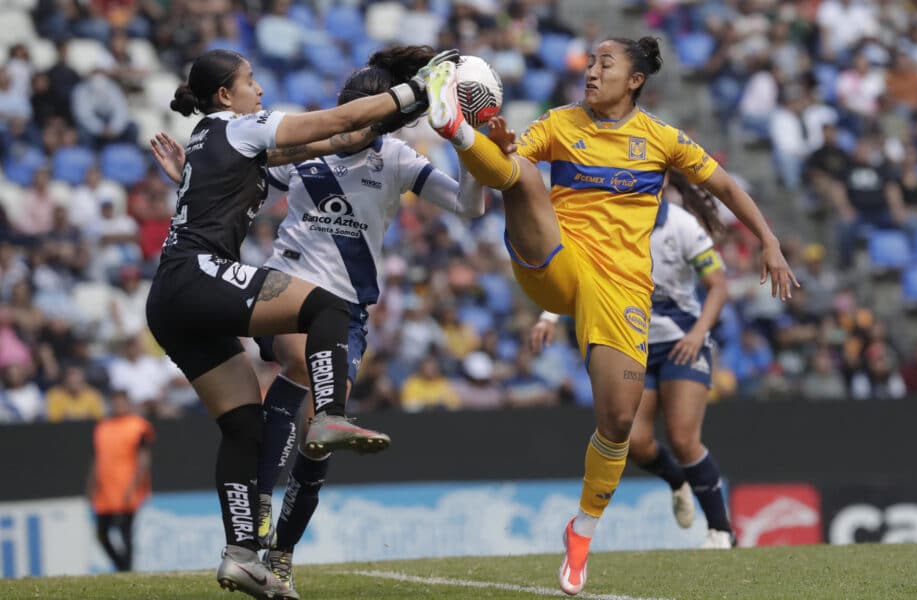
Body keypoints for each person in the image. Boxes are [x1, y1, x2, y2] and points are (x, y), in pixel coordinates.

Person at [424, 36, 796, 594]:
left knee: (620, 422)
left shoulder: (661, 139)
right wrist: (492, 144)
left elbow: (722, 184)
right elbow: (513, 159)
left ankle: (582, 531)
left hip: (621, 288)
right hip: (556, 260)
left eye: (605, 64)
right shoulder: (559, 123)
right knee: (522, 178)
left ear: (636, 79)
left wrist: (768, 240)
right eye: (589, 63)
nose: (591, 72)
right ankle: (451, 125)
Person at [151, 46, 483, 596]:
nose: (260, 89)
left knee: (254, 428)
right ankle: (289, 461)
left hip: (323, 309)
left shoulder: (393, 157)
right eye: (250, 80)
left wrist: (467, 143)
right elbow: (336, 129)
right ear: (225, 95)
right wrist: (422, 90)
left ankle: (263, 554)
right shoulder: (271, 138)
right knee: (306, 340)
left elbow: (231, 179)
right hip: (281, 289)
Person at [532, 171, 734, 548]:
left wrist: (696, 333)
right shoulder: (606, 223)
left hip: (681, 343)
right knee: (635, 442)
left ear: (658, 186)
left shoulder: (682, 225)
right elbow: (576, 277)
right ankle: (676, 481)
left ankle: (721, 530)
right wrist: (548, 315)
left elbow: (718, 286)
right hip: (630, 343)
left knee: (682, 436)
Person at [86, 389, 154, 572]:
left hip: (126, 487)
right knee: (102, 534)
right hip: (106, 490)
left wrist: (134, 487)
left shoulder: (138, 426)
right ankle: (121, 567)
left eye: (121, 402)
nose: (118, 406)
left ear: (128, 403)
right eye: (115, 402)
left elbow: (143, 460)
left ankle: (127, 569)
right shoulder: (102, 427)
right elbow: (97, 458)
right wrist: (91, 486)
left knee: (125, 534)